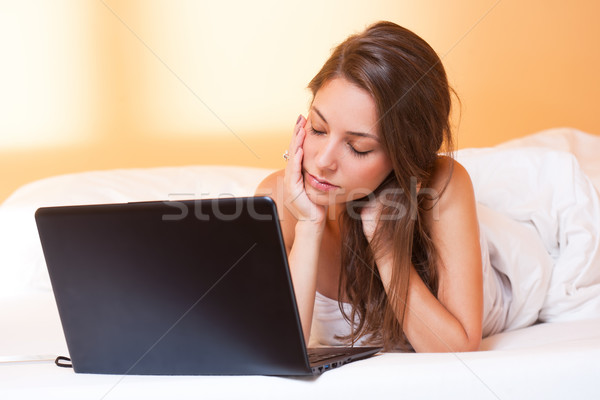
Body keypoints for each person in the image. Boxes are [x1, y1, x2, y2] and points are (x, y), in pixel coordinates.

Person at [256, 20, 483, 353]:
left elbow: (457, 348)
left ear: (402, 159)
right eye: (318, 129)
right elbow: (278, 352)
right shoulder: (277, 198)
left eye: (357, 147)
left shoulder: (444, 184)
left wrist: (384, 243)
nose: (323, 161)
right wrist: (309, 224)